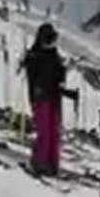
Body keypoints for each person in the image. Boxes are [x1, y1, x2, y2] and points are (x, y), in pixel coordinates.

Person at [21, 23, 66, 177]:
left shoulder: (53, 55)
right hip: (41, 97)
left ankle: (53, 163)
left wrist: (63, 70)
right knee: (44, 131)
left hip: (53, 95)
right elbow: (33, 76)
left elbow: (59, 75)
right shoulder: (35, 55)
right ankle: (40, 162)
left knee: (54, 131)